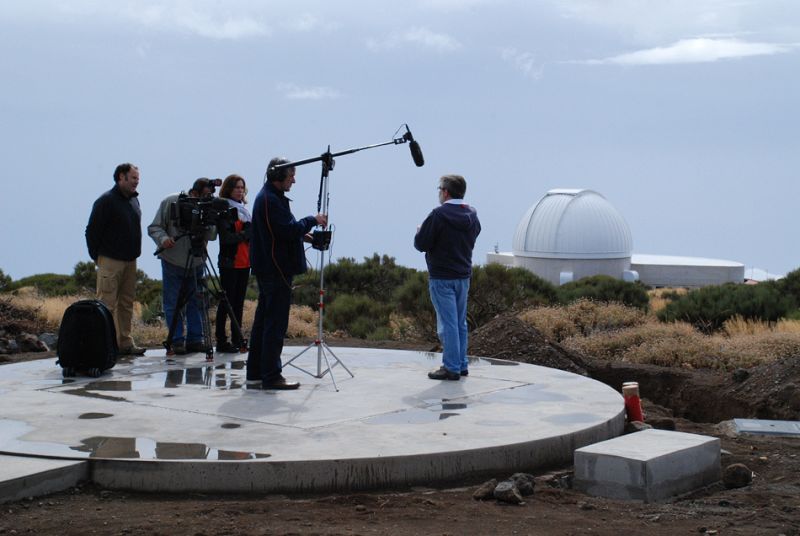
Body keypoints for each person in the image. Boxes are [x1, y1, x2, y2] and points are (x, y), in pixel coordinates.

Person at [247, 157, 327, 390]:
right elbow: (285, 230)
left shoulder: (271, 198)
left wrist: (304, 235)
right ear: (278, 176)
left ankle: (255, 374)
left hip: (270, 269)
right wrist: (313, 220)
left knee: (263, 323)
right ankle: (271, 376)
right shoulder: (270, 200)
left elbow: (281, 230)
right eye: (290, 175)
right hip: (276, 269)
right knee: (275, 324)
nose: (294, 179)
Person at [414, 174, 481, 380]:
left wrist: (419, 232)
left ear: (445, 191)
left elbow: (421, 244)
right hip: (463, 275)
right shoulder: (471, 214)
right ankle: (461, 364)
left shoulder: (438, 215)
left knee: (448, 324)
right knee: (460, 323)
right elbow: (475, 233)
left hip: (442, 276)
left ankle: (451, 367)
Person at [147, 178, 217, 355]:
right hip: (172, 260)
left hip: (197, 260)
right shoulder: (171, 202)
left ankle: (196, 339)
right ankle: (177, 341)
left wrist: (211, 219)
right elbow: (154, 227)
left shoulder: (208, 206)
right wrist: (164, 239)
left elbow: (212, 236)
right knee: (173, 303)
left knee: (197, 302)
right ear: (194, 193)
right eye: (203, 196)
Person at [85, 163, 146, 355]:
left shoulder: (134, 201)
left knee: (126, 303)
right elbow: (91, 232)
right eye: (133, 178)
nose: (137, 181)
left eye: (138, 178)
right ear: (121, 177)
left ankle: (124, 343)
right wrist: (97, 257)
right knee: (106, 304)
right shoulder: (106, 201)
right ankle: (105, 346)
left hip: (130, 260)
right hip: (110, 259)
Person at [215, 174, 251, 354]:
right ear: (229, 189)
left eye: (242, 187)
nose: (240, 190)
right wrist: (246, 234)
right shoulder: (224, 209)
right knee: (226, 303)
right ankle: (221, 340)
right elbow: (227, 238)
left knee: (238, 304)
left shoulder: (244, 210)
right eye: (237, 187)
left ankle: (237, 338)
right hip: (230, 263)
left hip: (245, 262)